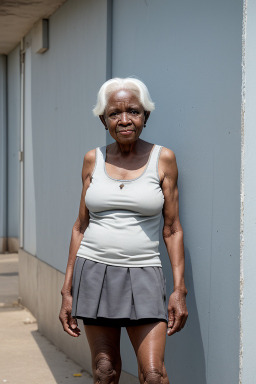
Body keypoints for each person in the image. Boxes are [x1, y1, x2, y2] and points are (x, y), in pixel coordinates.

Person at [59, 77, 188, 384]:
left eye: (134, 111)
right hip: (93, 273)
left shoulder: (163, 159)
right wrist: (66, 290)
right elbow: (81, 226)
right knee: (105, 371)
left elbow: (172, 229)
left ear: (146, 116)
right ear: (104, 120)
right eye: (115, 113)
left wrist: (179, 289)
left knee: (154, 374)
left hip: (144, 273)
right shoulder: (93, 159)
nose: (125, 119)